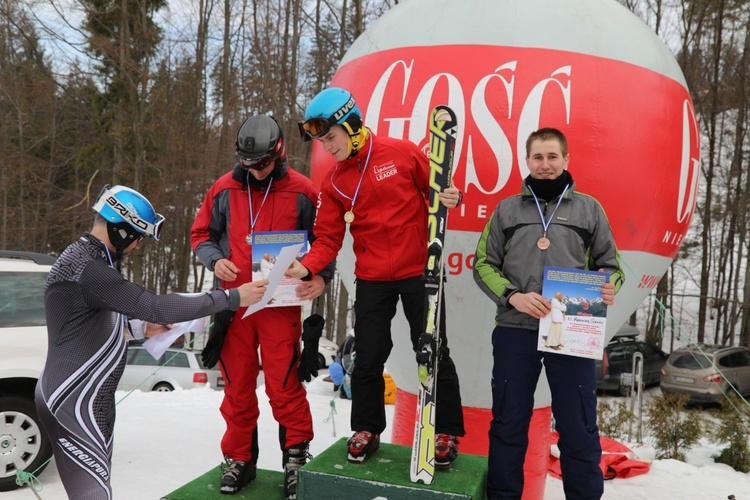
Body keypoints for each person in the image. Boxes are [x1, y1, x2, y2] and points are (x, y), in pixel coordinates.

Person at [35, 184, 268, 500]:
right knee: (93, 493)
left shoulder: (91, 260)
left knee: (95, 490)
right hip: (74, 400)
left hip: (83, 398)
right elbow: (155, 304)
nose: (137, 246)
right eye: (137, 237)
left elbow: (86, 325)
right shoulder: (90, 268)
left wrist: (141, 328)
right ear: (120, 230)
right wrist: (231, 297)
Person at [288, 87, 466, 466]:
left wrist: (452, 195)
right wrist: (308, 265)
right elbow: (328, 238)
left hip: (419, 270)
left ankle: (447, 430)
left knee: (435, 349)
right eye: (321, 142)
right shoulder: (334, 182)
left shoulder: (400, 153)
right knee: (368, 356)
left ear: (351, 126)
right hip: (371, 277)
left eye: (331, 138)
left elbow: (439, 191)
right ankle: (367, 429)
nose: (327, 147)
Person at [473, 127, 626, 499]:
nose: (545, 165)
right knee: (509, 424)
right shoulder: (507, 209)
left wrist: (609, 285)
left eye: (552, 157)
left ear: (566, 160)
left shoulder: (589, 208)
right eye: (538, 157)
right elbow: (482, 264)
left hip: (571, 329)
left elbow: (612, 266)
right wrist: (513, 297)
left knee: (578, 427)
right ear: (527, 161)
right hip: (516, 328)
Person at [191, 115, 334, 497]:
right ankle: (239, 460)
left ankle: (296, 458)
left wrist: (320, 275)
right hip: (234, 303)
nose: (254, 172)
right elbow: (202, 234)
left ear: (279, 153)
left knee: (283, 384)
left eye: (262, 164)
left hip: (280, 304)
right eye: (247, 164)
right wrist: (212, 259)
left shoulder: (303, 191)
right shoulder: (223, 188)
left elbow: (325, 240)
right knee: (237, 386)